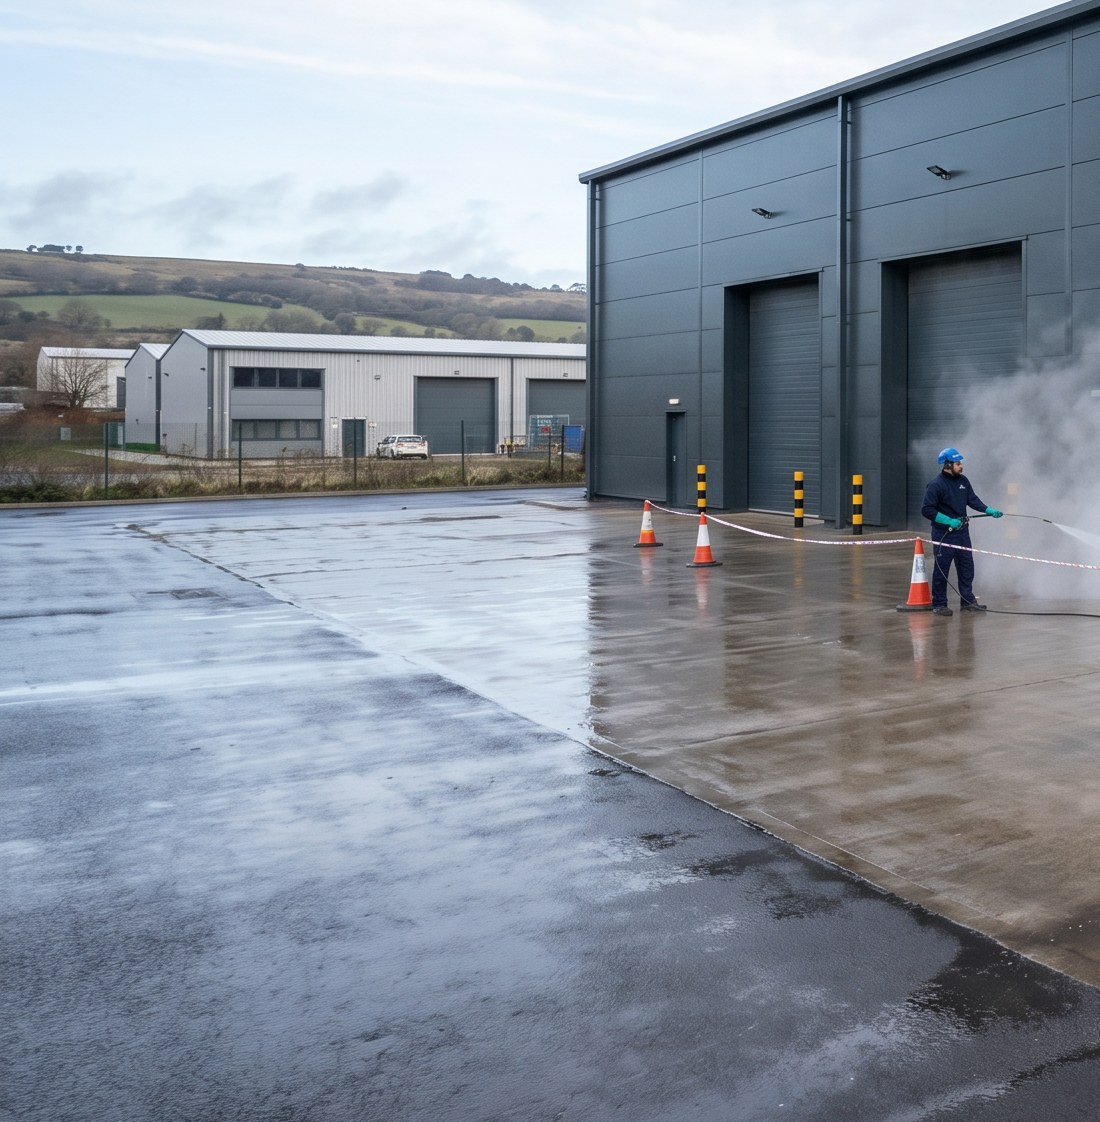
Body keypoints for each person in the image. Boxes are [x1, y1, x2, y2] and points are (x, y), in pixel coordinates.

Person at [921, 447, 1003, 616]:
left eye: (960, 463)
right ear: (947, 465)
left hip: (962, 534)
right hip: (943, 534)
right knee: (942, 569)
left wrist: (988, 510)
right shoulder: (936, 485)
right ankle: (939, 604)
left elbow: (972, 500)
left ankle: (967, 601)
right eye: (958, 463)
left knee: (967, 567)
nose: (961, 466)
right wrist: (948, 520)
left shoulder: (963, 481)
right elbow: (927, 509)